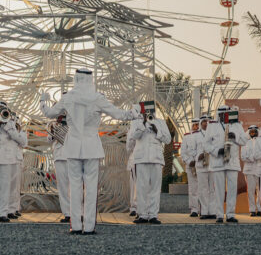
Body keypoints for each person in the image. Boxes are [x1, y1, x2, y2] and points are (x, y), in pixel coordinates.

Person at [40, 69, 139, 235]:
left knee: (75, 186)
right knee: (92, 187)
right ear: (90, 79)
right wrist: (134, 113)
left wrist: (43, 101)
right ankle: (89, 226)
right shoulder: (97, 98)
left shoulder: (68, 97)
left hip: (72, 146)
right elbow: (119, 114)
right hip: (91, 146)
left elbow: (49, 113)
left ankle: (76, 225)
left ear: (76, 79)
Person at [126, 106, 169, 224]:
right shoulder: (136, 123)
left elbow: (168, 139)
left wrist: (157, 131)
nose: (149, 113)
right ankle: (143, 215)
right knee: (141, 188)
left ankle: (153, 215)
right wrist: (143, 124)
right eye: (147, 111)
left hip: (156, 158)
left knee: (155, 188)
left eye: (151, 111)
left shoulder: (160, 123)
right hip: (141, 158)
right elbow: (133, 137)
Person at [205, 106, 248, 223]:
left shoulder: (237, 125)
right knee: (219, 190)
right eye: (223, 114)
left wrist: (235, 137)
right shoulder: (212, 126)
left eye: (227, 113)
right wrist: (216, 151)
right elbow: (206, 145)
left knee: (232, 189)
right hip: (218, 161)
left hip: (232, 162)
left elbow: (244, 141)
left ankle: (230, 214)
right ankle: (219, 215)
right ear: (219, 114)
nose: (226, 116)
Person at [46, 112, 72, 223]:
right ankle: (67, 213)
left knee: (75, 186)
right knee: (62, 187)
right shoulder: (54, 124)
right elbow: (49, 140)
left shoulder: (73, 121)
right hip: (59, 157)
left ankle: (78, 212)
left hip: (72, 156)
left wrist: (68, 124)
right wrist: (53, 129)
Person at [194, 115, 215, 220]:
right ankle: (204, 212)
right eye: (204, 122)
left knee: (212, 189)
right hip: (201, 165)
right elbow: (192, 151)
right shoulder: (196, 136)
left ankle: (212, 211)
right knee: (203, 189)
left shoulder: (214, 134)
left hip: (212, 164)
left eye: (208, 122)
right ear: (200, 123)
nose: (206, 124)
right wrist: (198, 156)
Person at [180, 119, 201, 217]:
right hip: (191, 166)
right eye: (195, 125)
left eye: (198, 125)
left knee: (203, 188)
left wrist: (197, 160)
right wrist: (189, 161)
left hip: (201, 165)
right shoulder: (186, 137)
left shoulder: (203, 135)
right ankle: (194, 209)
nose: (196, 127)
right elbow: (183, 152)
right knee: (193, 188)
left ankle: (203, 209)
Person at [240, 125, 261, 217]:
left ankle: (259, 209)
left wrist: (253, 157)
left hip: (260, 169)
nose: (253, 133)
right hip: (249, 170)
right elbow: (243, 157)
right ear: (249, 133)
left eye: (255, 132)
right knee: (251, 190)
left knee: (260, 191)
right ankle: (252, 210)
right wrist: (253, 158)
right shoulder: (245, 143)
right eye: (251, 132)